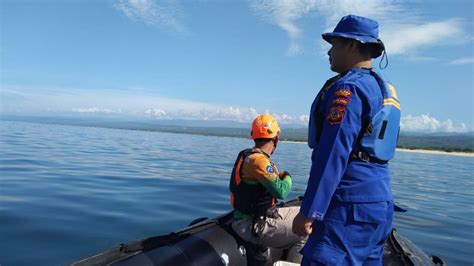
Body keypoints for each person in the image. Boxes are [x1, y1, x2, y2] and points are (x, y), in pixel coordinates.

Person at [292, 15, 401, 265]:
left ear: (352, 45)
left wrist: (310, 211)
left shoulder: (348, 89)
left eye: (335, 43)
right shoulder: (384, 89)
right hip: (379, 204)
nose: (329, 51)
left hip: (348, 208)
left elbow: (333, 153)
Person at [230, 114, 306, 263]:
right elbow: (282, 191)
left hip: (260, 216)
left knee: (306, 213)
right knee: (306, 228)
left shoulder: (250, 157)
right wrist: (287, 176)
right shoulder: (258, 161)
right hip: (252, 225)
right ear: (276, 138)